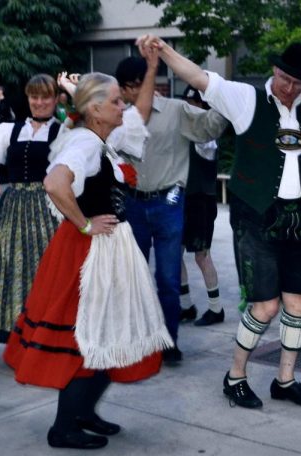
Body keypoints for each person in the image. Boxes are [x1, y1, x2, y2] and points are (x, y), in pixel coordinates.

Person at [143, 33, 301, 409]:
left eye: (298, 83)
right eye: (286, 79)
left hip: (299, 218)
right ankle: (235, 377)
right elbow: (199, 77)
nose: (290, 88)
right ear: (274, 71)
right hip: (255, 216)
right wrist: (164, 50)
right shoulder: (245, 98)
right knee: (265, 307)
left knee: (298, 301)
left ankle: (285, 380)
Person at [3, 61, 175, 450]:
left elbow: (142, 112)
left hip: (106, 248)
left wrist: (151, 68)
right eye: (115, 101)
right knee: (87, 337)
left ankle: (83, 413)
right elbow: (54, 183)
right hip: (87, 252)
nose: (123, 106)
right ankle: (63, 427)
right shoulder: (83, 142)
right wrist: (84, 225)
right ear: (95, 109)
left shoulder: (101, 141)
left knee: (106, 332)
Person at [114, 56, 229, 364]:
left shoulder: (176, 110)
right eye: (124, 90)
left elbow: (209, 129)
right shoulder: (119, 117)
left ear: (142, 84)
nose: (126, 95)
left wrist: (220, 96)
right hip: (131, 203)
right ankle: (136, 340)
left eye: (128, 88)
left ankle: (168, 341)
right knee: (132, 277)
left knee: (167, 277)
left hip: (169, 202)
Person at [0, 74, 66, 343]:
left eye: (46, 96)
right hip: (13, 209)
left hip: (50, 209)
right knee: (12, 269)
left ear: (56, 99)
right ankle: (18, 334)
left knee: (46, 270)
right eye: (34, 96)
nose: (39, 102)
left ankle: (46, 334)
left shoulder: (64, 131)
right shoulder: (9, 129)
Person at [178, 85, 225, 327]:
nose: (187, 106)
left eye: (192, 102)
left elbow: (203, 140)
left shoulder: (206, 137)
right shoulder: (185, 131)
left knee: (201, 255)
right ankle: (186, 305)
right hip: (182, 198)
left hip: (201, 200)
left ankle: (216, 308)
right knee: (174, 253)